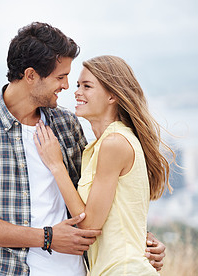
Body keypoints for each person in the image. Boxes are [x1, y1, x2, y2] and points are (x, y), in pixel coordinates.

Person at [0, 22, 166, 276]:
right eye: (60, 77)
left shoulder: (66, 124)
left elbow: (97, 202)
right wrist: (46, 238)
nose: (66, 86)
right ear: (31, 76)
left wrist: (140, 240)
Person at [34, 55, 173, 275]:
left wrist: (56, 165)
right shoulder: (98, 147)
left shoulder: (114, 143)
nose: (77, 91)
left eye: (87, 86)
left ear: (112, 96)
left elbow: (89, 227)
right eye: (78, 85)